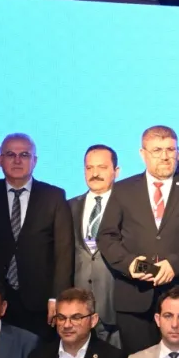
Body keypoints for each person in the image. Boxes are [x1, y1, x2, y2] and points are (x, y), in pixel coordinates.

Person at [95, 125, 179, 355]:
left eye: (170, 150)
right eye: (157, 150)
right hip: (135, 297)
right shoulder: (123, 189)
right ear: (142, 153)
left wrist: (174, 264)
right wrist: (130, 264)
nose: (164, 156)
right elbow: (106, 235)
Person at [0, 132, 74, 337]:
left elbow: (64, 252)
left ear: (34, 160)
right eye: (11, 155)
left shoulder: (54, 196)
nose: (17, 160)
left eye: (24, 155)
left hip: (39, 299)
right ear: (1, 160)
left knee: (38, 354)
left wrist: (57, 297)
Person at [71, 145, 120, 347]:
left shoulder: (128, 205)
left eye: (102, 167)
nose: (95, 173)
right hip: (77, 308)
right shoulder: (69, 206)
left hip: (115, 305)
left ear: (116, 171)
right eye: (89, 168)